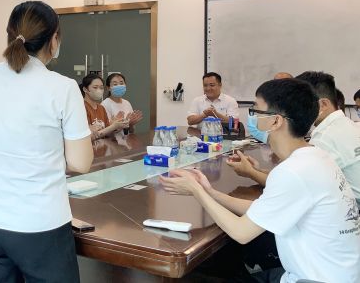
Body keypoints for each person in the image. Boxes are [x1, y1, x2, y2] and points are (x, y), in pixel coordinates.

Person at [161, 78, 360, 283]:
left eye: (256, 110)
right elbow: (261, 208)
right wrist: (208, 191)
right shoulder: (315, 156)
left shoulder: (294, 171)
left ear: (275, 121)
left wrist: (196, 190)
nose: (252, 117)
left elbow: (241, 232)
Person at [0, 0, 93, 283]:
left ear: (9, 34)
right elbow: (80, 162)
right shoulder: (63, 87)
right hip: (41, 225)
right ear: (54, 40)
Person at [230, 71, 360, 201]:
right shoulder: (346, 125)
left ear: (323, 104)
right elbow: (296, 177)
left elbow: (291, 185)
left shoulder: (324, 139)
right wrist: (257, 170)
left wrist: (251, 172)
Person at [81, 73, 126, 140]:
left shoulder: (101, 108)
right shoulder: (81, 108)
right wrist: (113, 127)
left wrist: (115, 125)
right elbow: (88, 137)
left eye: (101, 88)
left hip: (103, 145)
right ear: (85, 89)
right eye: (95, 87)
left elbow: (108, 134)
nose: (99, 90)